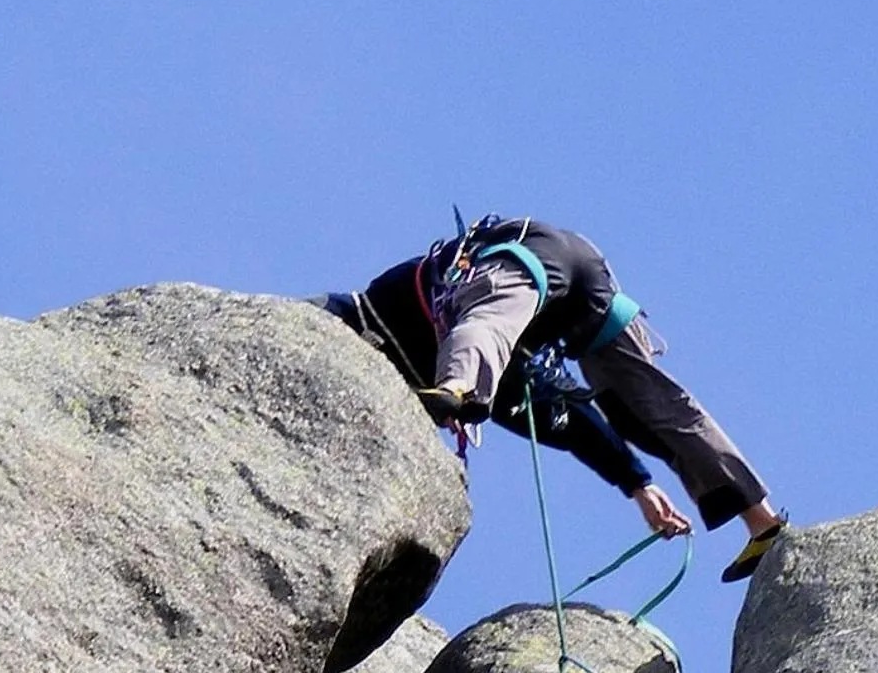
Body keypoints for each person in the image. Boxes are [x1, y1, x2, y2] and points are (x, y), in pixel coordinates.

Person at [319, 215, 785, 582]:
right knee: (644, 410)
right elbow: (570, 420)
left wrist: (456, 393)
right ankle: (762, 522)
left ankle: (458, 385)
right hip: (582, 285)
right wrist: (637, 483)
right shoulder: (503, 376)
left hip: (524, 265)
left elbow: (329, 312)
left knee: (488, 316)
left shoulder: (374, 308)